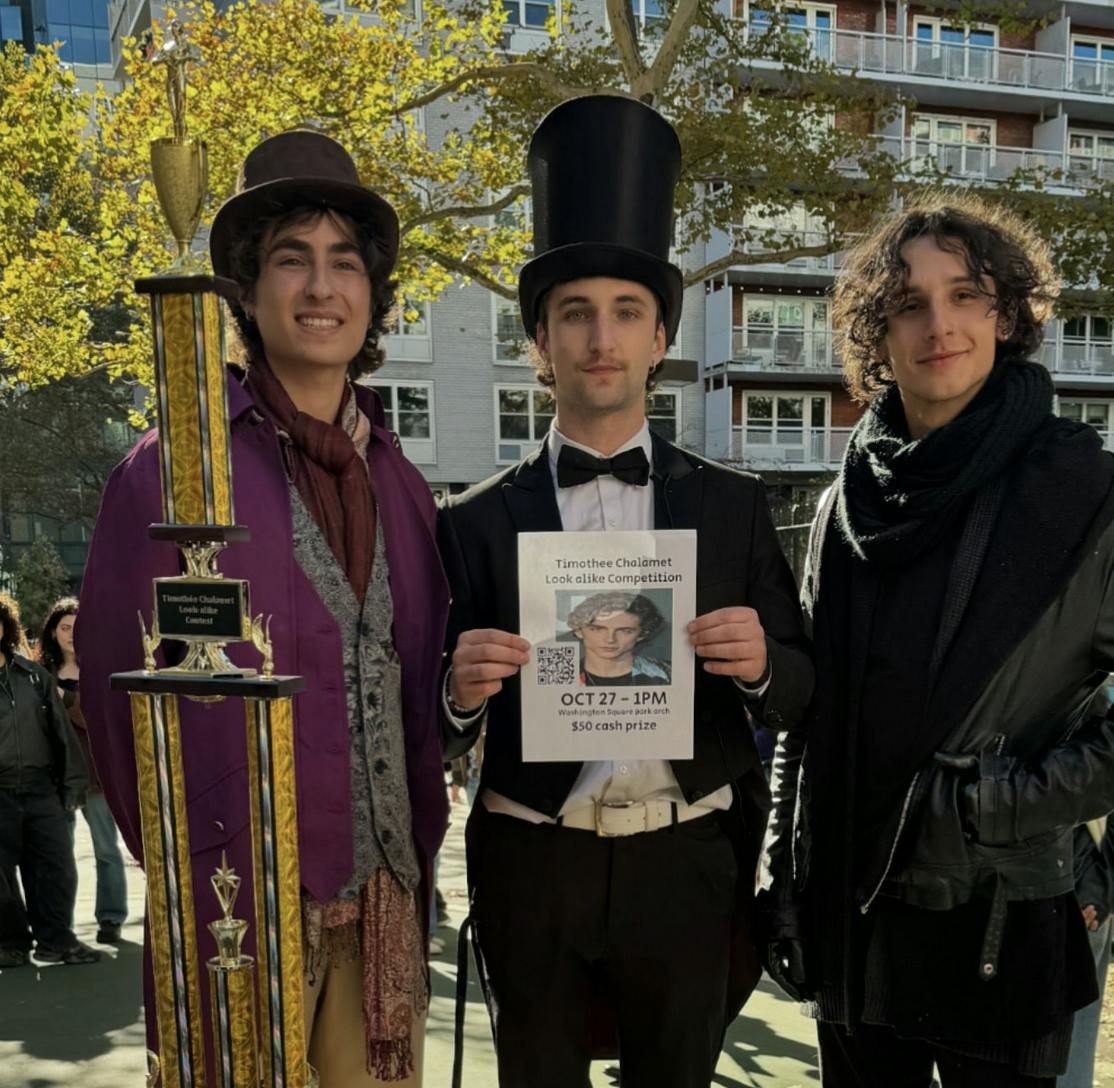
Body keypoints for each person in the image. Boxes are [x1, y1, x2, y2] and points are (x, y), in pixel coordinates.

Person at [438, 96, 813, 1088]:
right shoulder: (472, 519)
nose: (600, 337)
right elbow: (423, 712)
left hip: (687, 862)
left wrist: (764, 661)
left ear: (657, 340)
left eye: (625, 313)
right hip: (532, 859)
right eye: (574, 315)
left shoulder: (732, 506)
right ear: (541, 342)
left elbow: (809, 688)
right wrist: (457, 690)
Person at [79, 131, 463, 1086]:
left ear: (372, 294)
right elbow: (116, 708)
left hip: (385, 900)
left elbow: (419, 691)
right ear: (247, 292)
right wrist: (195, 880)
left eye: (344, 263)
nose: (322, 288)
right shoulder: (172, 473)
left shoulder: (403, 483)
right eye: (292, 260)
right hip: (240, 916)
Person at [760, 193, 1114, 1086]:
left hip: (999, 916)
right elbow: (810, 707)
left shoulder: (1085, 490)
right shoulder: (847, 500)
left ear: (1008, 315)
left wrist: (1003, 804)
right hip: (852, 915)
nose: (939, 325)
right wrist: (782, 873)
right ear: (875, 335)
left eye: (966, 296)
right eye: (908, 304)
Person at [0, 591, 97, 967]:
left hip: (41, 791)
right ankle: (11, 943)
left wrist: (73, 783)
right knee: (2, 879)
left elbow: (61, 732)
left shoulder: (33, 676)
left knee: (56, 869)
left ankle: (56, 941)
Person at [38, 597, 128, 945]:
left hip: (95, 776)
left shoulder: (99, 671)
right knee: (57, 855)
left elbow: (98, 723)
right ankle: (60, 924)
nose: (70, 635)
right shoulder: (40, 672)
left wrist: (67, 698)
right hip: (54, 776)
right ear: (53, 631)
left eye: (77, 629)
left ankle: (111, 917)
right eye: (64, 628)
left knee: (106, 849)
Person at [566, 591, 670, 684]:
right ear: (578, 630)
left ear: (642, 634)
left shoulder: (669, 672)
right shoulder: (560, 676)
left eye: (625, 631)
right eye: (597, 629)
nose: (610, 639)